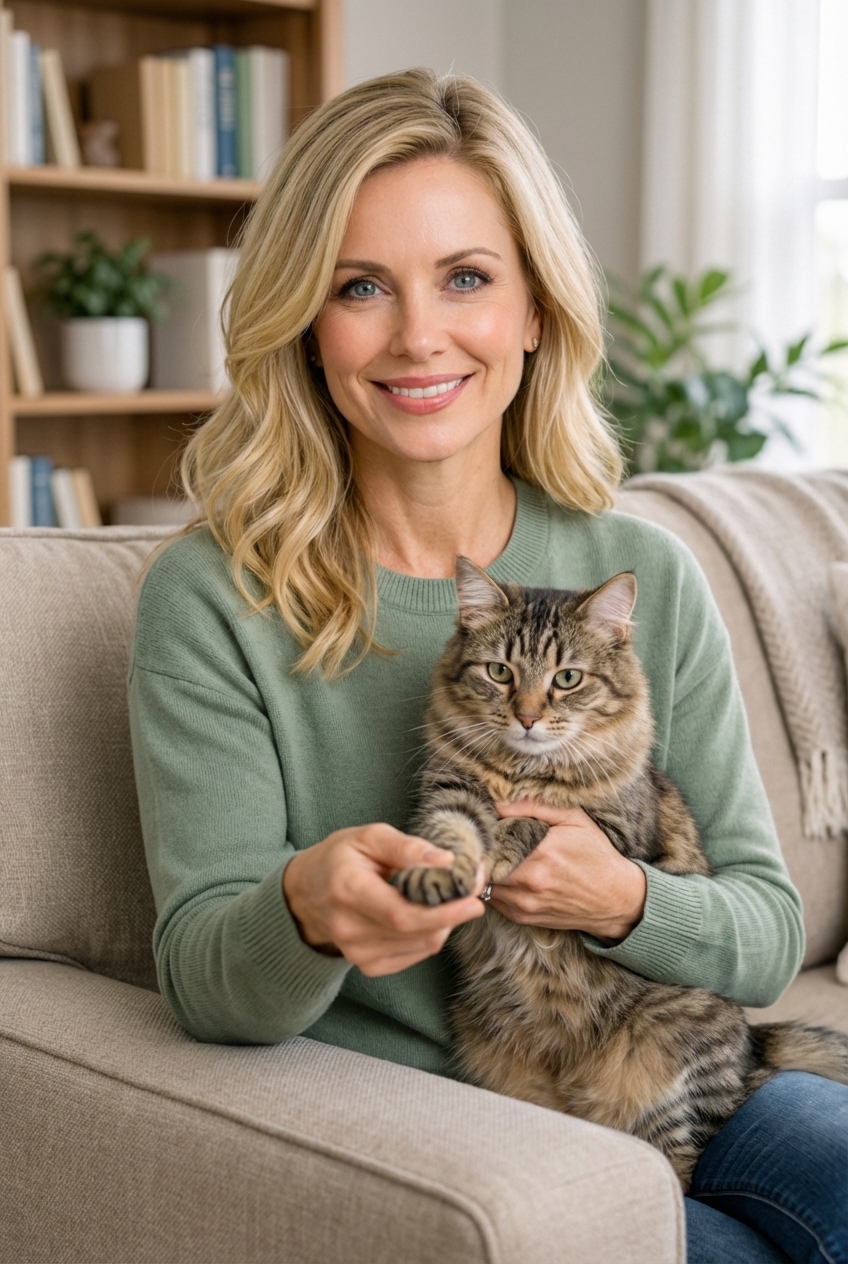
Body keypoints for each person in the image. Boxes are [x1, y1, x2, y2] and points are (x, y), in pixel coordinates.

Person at [128, 69, 846, 1264]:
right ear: (306, 317)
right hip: (454, 1127)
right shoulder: (212, 596)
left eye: (465, 277)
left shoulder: (640, 573)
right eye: (361, 286)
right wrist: (305, 908)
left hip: (676, 1075)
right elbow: (204, 978)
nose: (418, 335)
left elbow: (765, 932)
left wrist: (619, 900)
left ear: (531, 309)